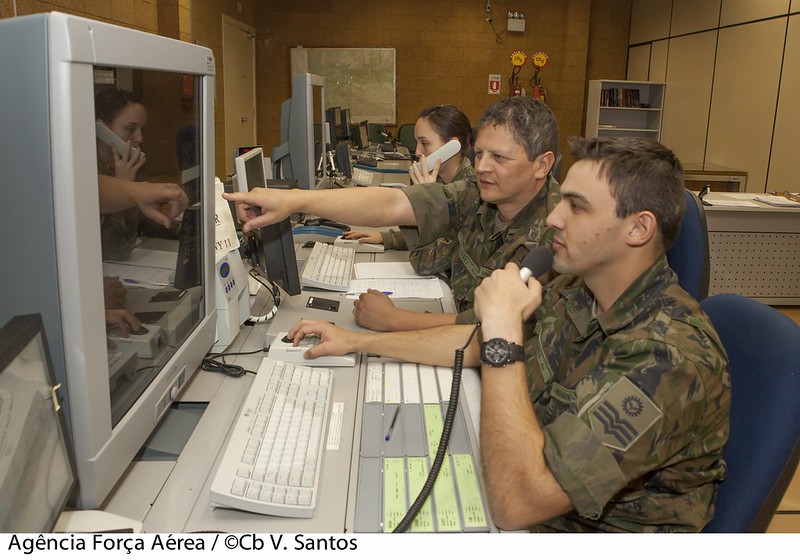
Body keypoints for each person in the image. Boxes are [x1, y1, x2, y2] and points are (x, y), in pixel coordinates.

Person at [281, 136, 731, 532]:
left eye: (576, 205)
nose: (553, 216)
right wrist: (358, 342)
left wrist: (502, 335)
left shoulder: (667, 358)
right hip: (529, 474)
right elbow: (474, 344)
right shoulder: (579, 286)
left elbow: (516, 504)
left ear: (638, 228)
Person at [223, 96, 560, 332]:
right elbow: (393, 204)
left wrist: (395, 320)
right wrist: (294, 200)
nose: (483, 167)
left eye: (499, 158)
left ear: (542, 165)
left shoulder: (553, 236)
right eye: (481, 154)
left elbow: (491, 327)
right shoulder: (480, 191)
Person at [343, 105, 474, 249]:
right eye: (417, 142)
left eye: (424, 143)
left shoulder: (469, 191)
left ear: (451, 146)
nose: (417, 151)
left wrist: (424, 202)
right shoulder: (438, 179)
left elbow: (435, 256)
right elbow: (434, 235)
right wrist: (387, 238)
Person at [95, 88, 188, 261]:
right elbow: (114, 250)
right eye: (130, 129)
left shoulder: (128, 162)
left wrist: (184, 228)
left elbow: (142, 222)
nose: (139, 138)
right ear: (101, 129)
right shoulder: (86, 171)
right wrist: (123, 187)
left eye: (141, 129)